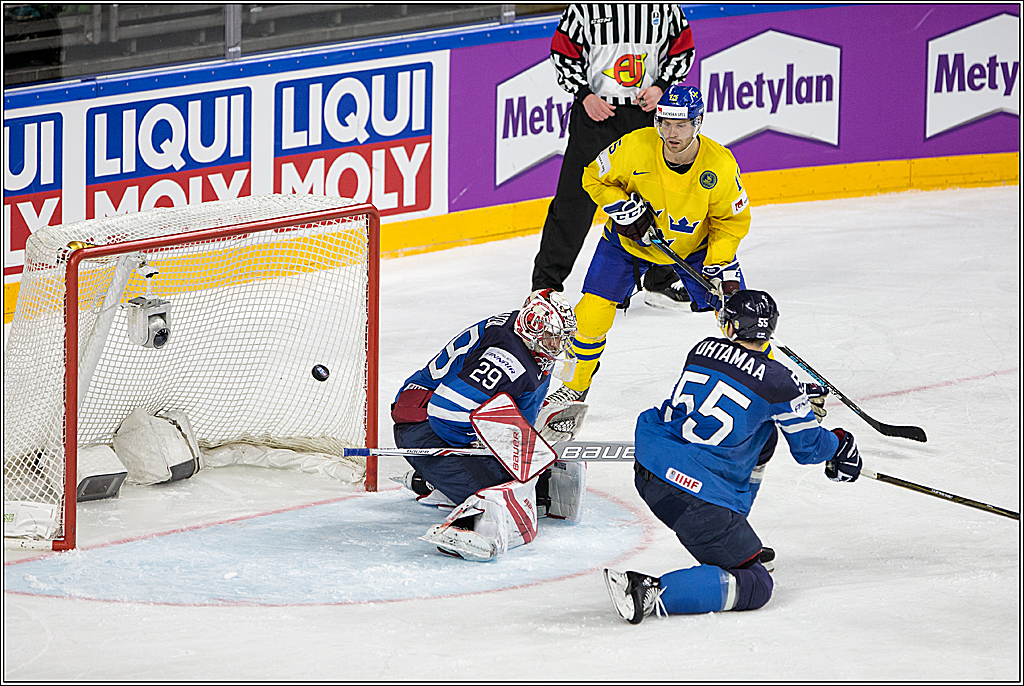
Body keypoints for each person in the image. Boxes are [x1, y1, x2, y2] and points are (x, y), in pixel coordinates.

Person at [603, 290, 863, 623]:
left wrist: (793, 396)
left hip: (650, 464)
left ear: (731, 326)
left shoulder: (701, 349)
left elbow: (740, 381)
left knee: (765, 436)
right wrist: (839, 442)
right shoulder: (781, 384)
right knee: (757, 584)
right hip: (690, 497)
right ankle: (646, 591)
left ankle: (732, 529)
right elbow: (809, 448)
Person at [546, 84, 752, 404]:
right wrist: (620, 207)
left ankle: (767, 384)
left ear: (697, 123)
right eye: (665, 123)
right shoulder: (636, 145)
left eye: (681, 125)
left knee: (740, 315)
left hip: (695, 248)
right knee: (589, 314)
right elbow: (593, 177)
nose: (671, 133)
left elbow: (731, 222)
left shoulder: (720, 165)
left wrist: (719, 262)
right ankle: (575, 385)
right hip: (628, 243)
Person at [391, 289, 587, 561]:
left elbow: (517, 406)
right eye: (552, 337)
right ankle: (456, 515)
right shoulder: (505, 358)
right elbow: (445, 411)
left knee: (521, 477)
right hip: (424, 426)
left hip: (454, 419)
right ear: (533, 326)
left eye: (561, 338)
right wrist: (482, 443)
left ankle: (436, 481)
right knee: (504, 495)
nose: (557, 345)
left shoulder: (532, 345)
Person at [531, 3, 696, 309]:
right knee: (574, 204)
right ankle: (546, 287)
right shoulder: (584, 8)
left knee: (657, 199)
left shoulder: (664, 7)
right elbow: (563, 51)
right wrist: (584, 95)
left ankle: (659, 280)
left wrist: (661, 86)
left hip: (645, 116)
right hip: (596, 115)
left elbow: (682, 48)